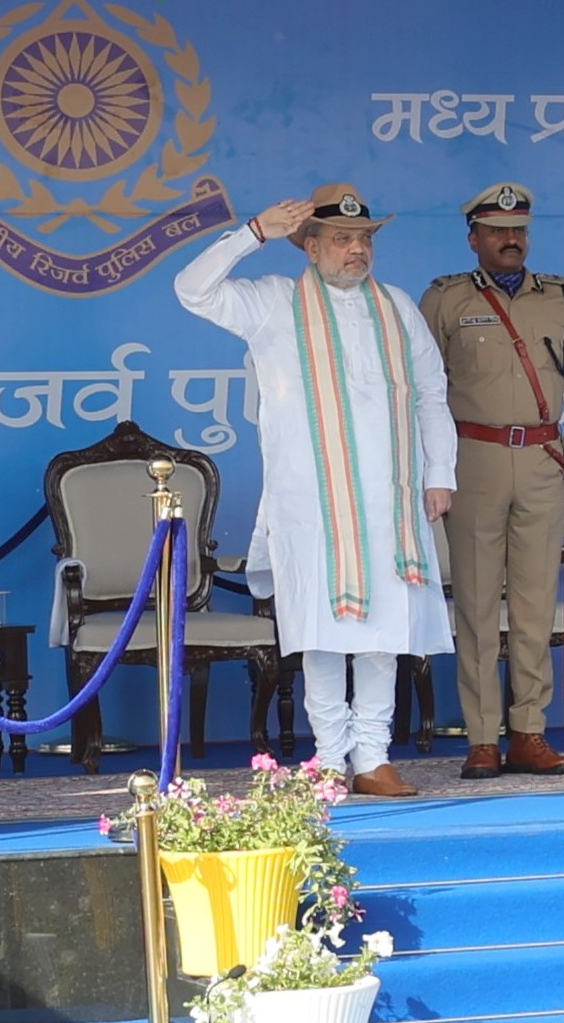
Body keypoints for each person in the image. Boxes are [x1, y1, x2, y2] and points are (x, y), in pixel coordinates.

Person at [173, 188, 455, 797]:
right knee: (321, 633)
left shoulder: (398, 307)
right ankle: (330, 757)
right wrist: (252, 233)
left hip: (390, 502)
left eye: (366, 239)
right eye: (342, 239)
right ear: (310, 245)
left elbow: (431, 392)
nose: (358, 250)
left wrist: (440, 476)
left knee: (384, 633)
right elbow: (191, 289)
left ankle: (373, 757)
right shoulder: (272, 302)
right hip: (311, 505)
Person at [415, 183, 564, 779]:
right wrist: (427, 469)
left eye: (519, 228)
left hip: (545, 459)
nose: (510, 239)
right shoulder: (444, 300)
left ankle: (529, 733)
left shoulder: (560, 298)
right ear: (474, 238)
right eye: (497, 230)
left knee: (533, 606)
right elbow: (420, 393)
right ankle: (481, 739)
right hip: (474, 458)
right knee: (474, 604)